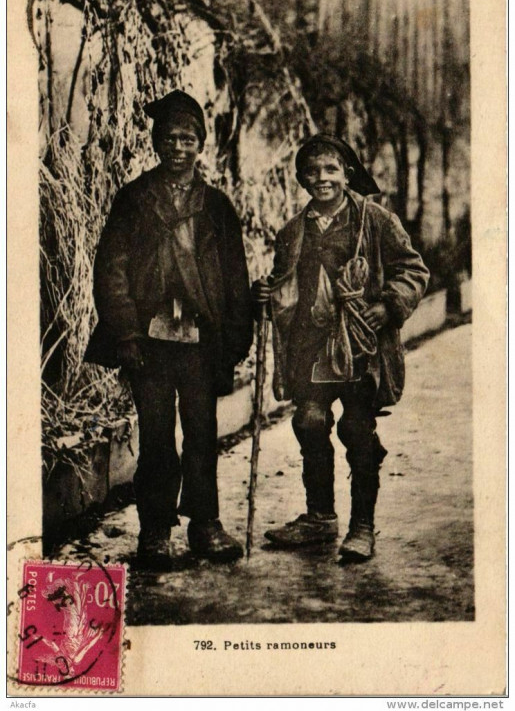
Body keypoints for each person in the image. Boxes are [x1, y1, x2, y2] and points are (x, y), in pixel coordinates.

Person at [85, 90, 253, 567]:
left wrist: (235, 340)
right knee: (157, 436)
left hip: (201, 342)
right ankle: (155, 530)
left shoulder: (217, 207)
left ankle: (205, 525)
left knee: (203, 434)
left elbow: (235, 278)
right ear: (157, 142)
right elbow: (111, 270)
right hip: (149, 343)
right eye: (170, 137)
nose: (178, 146)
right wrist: (126, 334)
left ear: (201, 145)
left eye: (188, 138)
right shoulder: (135, 199)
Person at [252, 134, 429, 562]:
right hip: (310, 346)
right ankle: (320, 516)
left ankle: (362, 526)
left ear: (347, 173)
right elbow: (284, 285)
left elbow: (414, 270)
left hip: (359, 346)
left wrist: (387, 306)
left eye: (331, 169)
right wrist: (264, 293)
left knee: (355, 429)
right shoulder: (293, 232)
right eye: (312, 171)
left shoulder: (375, 220)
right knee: (310, 421)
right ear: (302, 179)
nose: (322, 178)